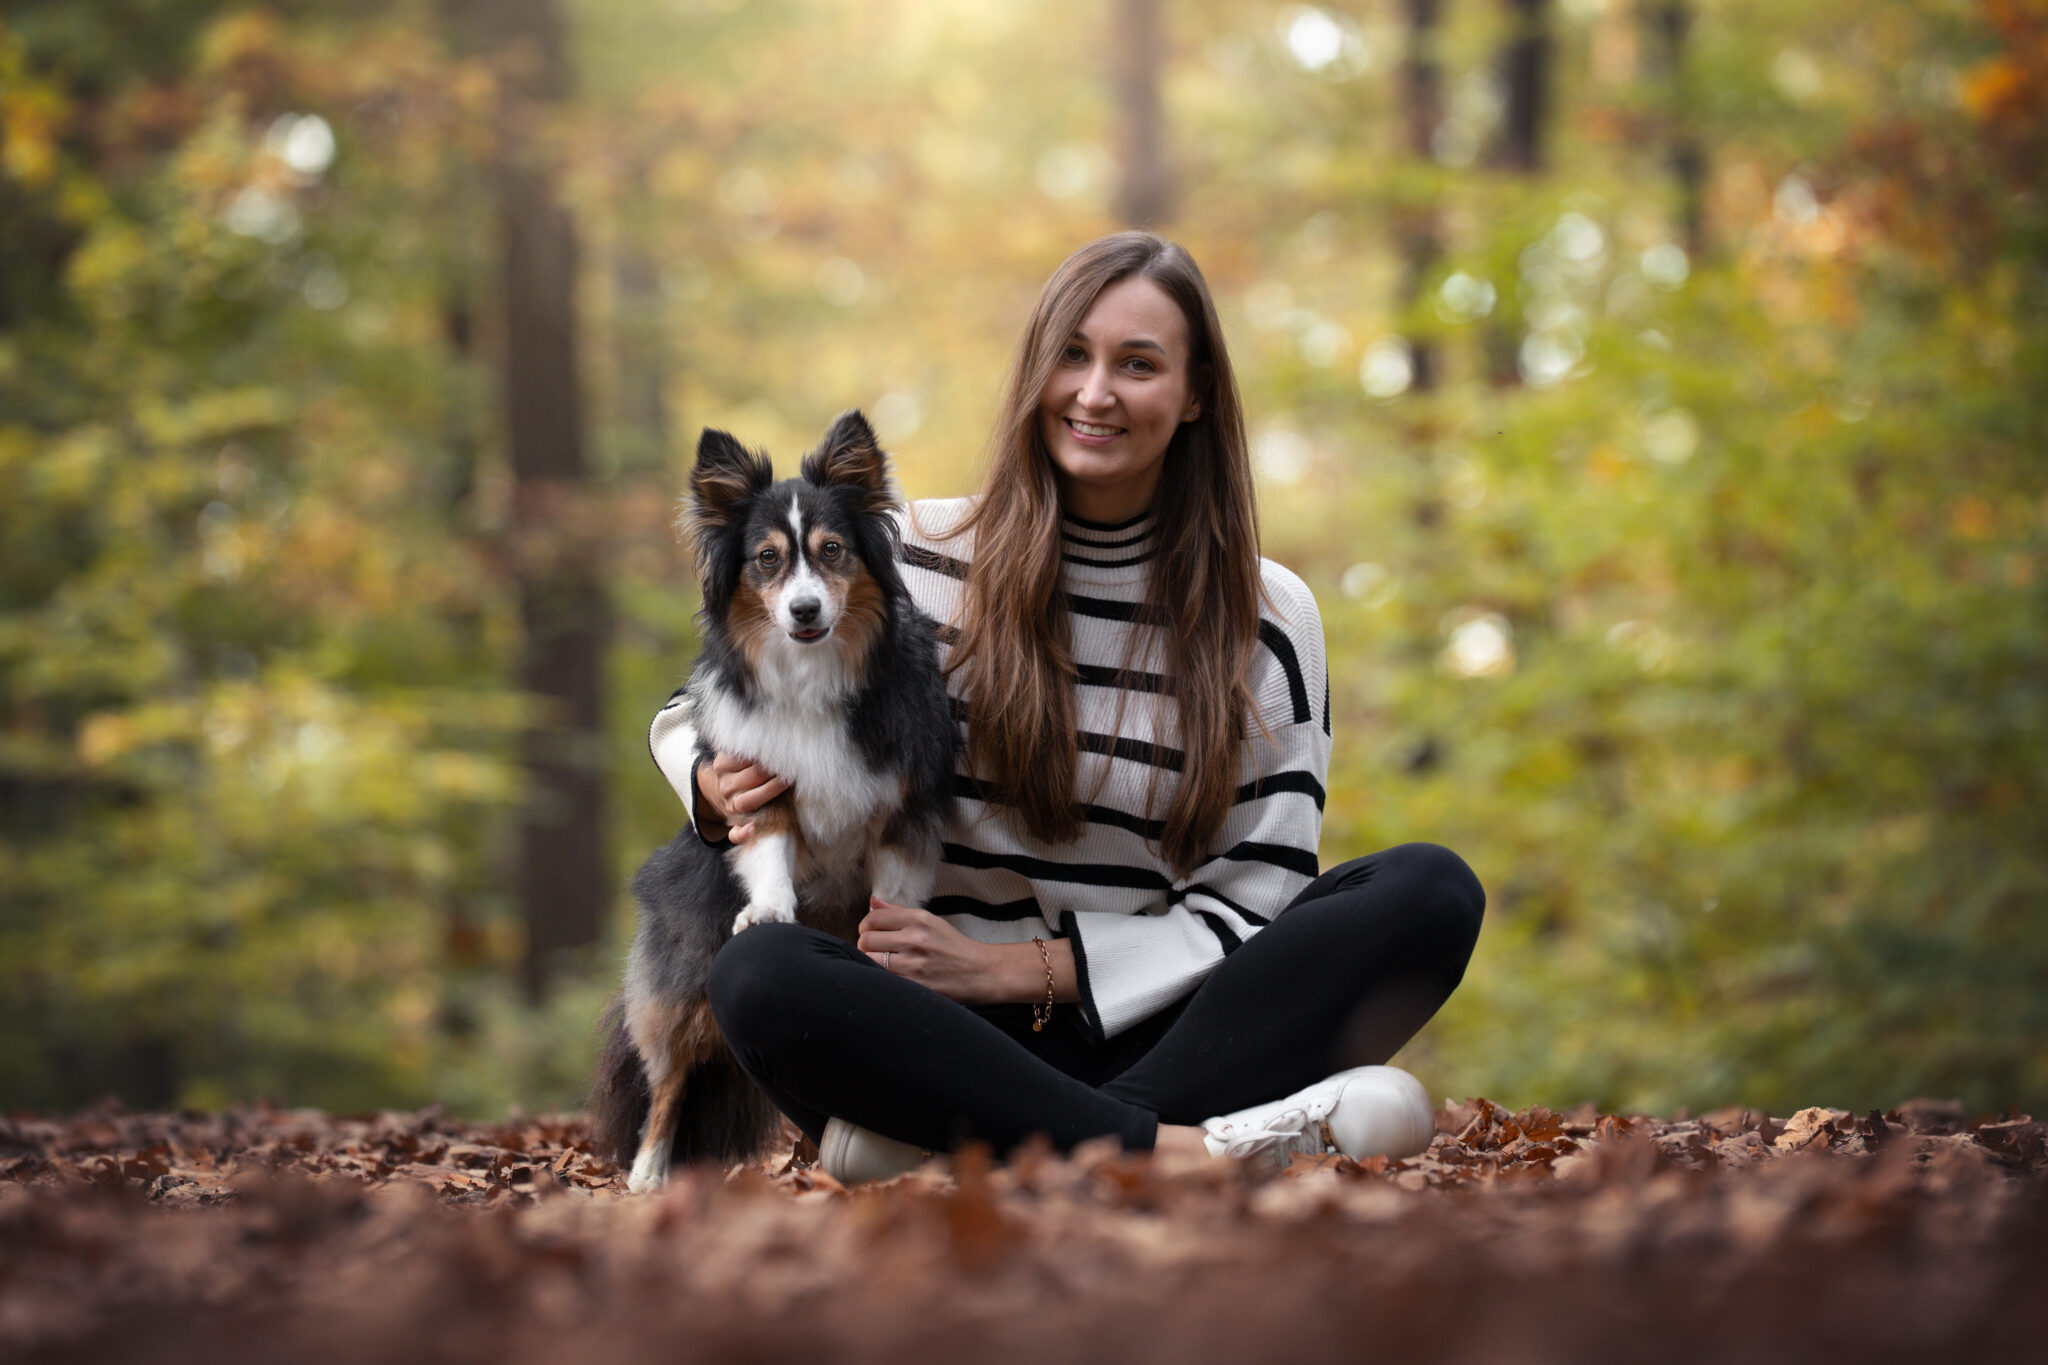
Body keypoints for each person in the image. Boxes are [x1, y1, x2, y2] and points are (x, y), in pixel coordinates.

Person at [649, 230, 1484, 1180]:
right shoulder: (914, 556)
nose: (1095, 393)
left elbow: (1261, 897)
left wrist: (1018, 968)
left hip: (1179, 1031)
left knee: (1430, 890)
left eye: (1138, 363)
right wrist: (710, 786)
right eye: (1072, 356)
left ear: (1197, 391)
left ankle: (997, 1150)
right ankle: (1188, 1153)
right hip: (937, 1037)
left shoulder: (1271, 615)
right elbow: (699, 710)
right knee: (761, 971)